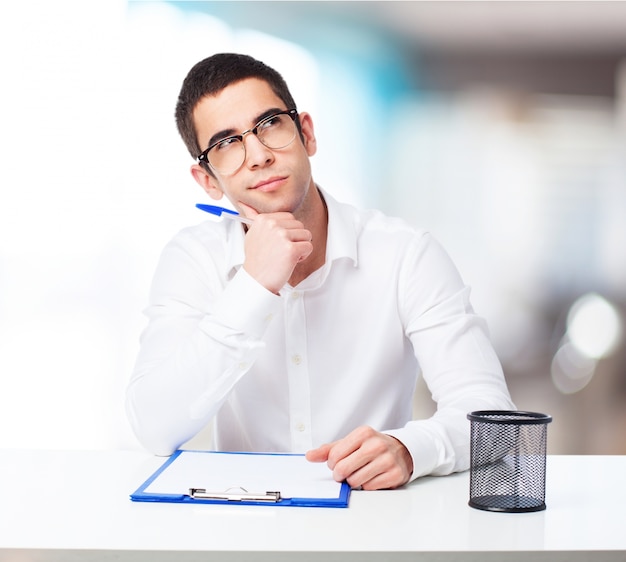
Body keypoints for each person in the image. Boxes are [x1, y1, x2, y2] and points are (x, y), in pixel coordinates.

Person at [126, 52, 515, 491]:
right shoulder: (193, 259)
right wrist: (254, 286)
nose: (257, 156)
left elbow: (492, 420)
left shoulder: (408, 254)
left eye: (269, 123)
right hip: (244, 531)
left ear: (305, 133)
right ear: (208, 181)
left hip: (373, 524)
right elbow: (154, 426)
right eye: (226, 144)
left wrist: (410, 449)